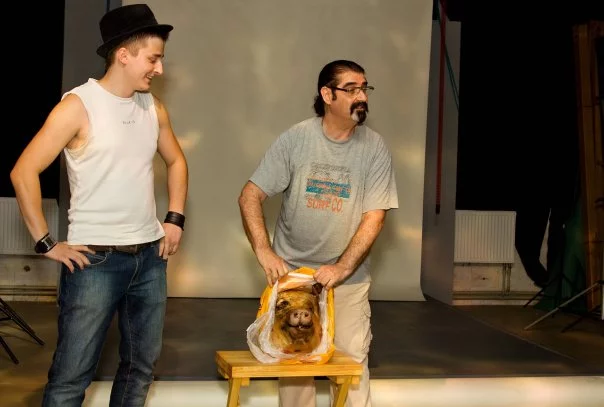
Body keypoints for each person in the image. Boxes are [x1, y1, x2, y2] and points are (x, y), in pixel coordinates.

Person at [10, 4, 188, 406]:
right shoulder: (78, 106)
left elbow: (177, 161)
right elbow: (24, 172)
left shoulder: (153, 107)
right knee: (71, 379)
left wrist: (174, 218)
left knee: (139, 370)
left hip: (150, 259)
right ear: (123, 54)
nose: (159, 69)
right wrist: (46, 243)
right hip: (94, 261)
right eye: (153, 59)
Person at [238, 60, 398, 407]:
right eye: (351, 89)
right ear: (327, 94)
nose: (361, 97)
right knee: (295, 366)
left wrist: (342, 268)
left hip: (348, 279)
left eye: (364, 89)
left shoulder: (375, 147)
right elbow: (250, 195)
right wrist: (264, 251)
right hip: (294, 279)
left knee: (352, 366)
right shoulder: (296, 139)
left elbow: (374, 217)